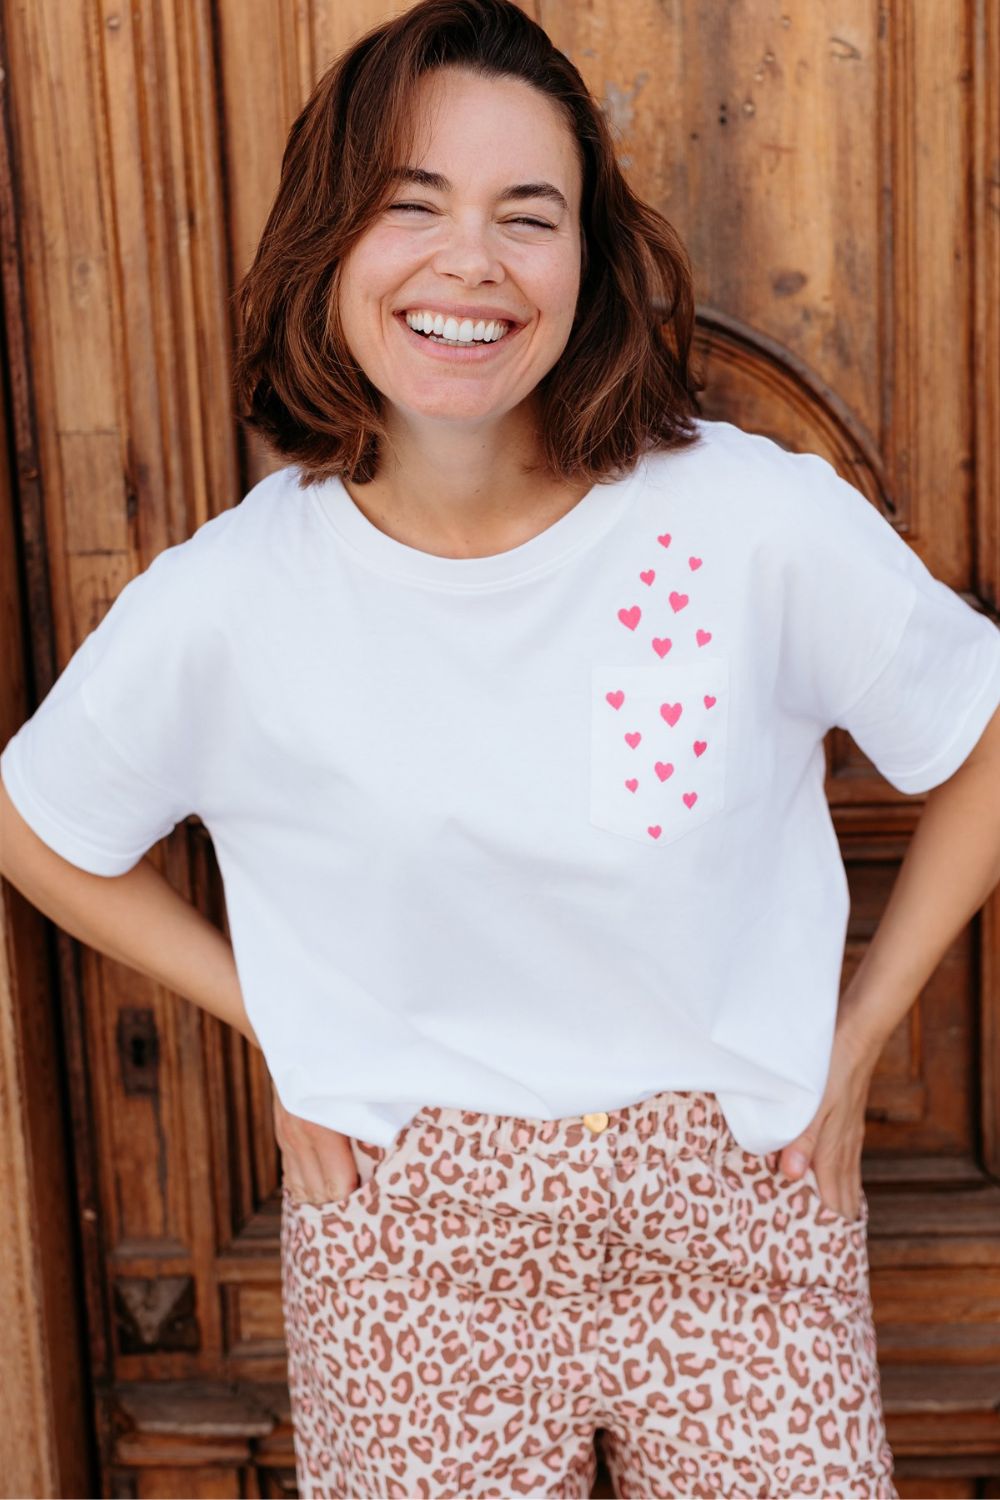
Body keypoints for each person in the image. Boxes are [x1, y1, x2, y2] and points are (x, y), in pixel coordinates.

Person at [2, 0, 999, 1494]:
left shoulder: (747, 521)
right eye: (413, 208)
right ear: (329, 244)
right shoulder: (233, 600)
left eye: (525, 216)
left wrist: (858, 1043)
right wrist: (279, 1016)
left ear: (584, 263)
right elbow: (37, 825)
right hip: (416, 1232)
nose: (469, 263)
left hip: (738, 1202)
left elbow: (987, 740)